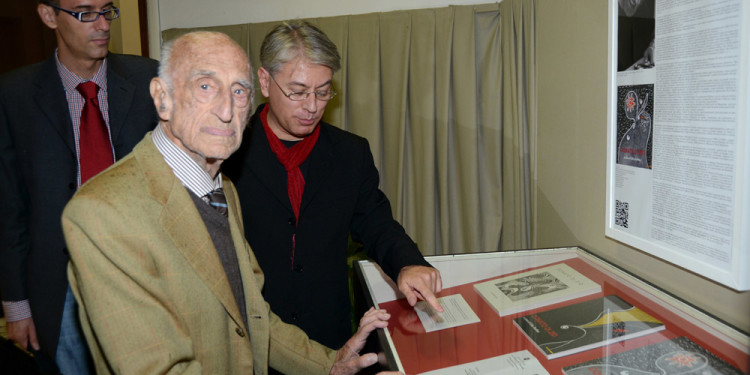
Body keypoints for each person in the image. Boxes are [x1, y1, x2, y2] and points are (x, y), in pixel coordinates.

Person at [61, 30, 398, 375]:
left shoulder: (223, 190)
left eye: (238, 91)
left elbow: (252, 317)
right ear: (162, 98)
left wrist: (330, 365)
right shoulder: (103, 211)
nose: (226, 110)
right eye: (205, 86)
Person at [222, 20, 443, 351]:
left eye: (323, 92)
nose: (312, 106)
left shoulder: (350, 154)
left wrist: (407, 263)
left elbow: (376, 222)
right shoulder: (226, 154)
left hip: (330, 337)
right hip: (253, 339)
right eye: (297, 92)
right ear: (265, 81)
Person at [0, 0, 158, 373]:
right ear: (49, 15)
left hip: (143, 275)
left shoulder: (148, 79)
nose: (102, 24)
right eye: (86, 13)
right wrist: (17, 305)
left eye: (107, 11)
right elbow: (9, 209)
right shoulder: (14, 96)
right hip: (60, 283)